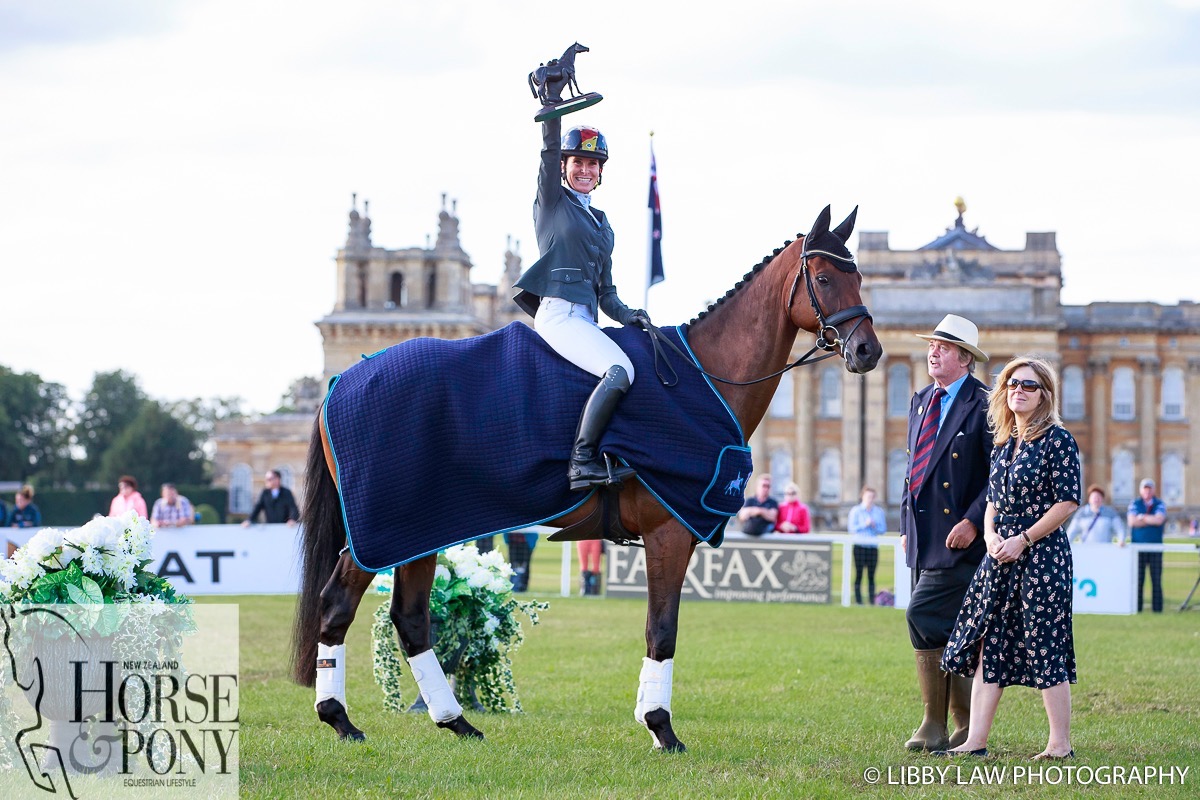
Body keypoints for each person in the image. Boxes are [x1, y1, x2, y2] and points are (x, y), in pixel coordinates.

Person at [940, 356, 1081, 760]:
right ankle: (976, 741)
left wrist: (1023, 538)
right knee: (990, 644)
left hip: (1042, 556)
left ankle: (1059, 744)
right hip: (1001, 555)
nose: (1018, 390)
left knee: (1045, 643)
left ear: (1044, 395)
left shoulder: (1058, 439)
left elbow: (1067, 502)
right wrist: (989, 535)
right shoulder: (1004, 443)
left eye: (1029, 385)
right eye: (1011, 384)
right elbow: (993, 500)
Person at [512, 112, 648, 492]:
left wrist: (630, 316)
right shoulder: (552, 202)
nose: (585, 170)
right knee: (620, 371)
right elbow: (548, 148)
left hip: (587, 319)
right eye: (578, 163)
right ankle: (581, 463)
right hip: (558, 315)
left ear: (600, 172)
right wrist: (552, 102)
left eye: (592, 164)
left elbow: (606, 293)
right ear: (564, 167)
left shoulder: (603, 224)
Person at [899, 314, 992, 752]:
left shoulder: (987, 404)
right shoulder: (920, 400)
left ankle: (934, 722)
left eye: (943, 346)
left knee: (921, 615)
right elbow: (912, 474)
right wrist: (905, 526)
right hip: (924, 537)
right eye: (932, 344)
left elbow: (1000, 476)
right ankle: (961, 724)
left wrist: (974, 520)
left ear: (965, 359)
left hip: (962, 539)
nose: (933, 351)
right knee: (951, 629)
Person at [1125, 478, 1167, 613]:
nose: (1147, 491)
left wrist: (1142, 517)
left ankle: (1157, 609)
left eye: (1149, 489)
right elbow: (1132, 522)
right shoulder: (1135, 503)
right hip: (1138, 547)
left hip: (1155, 547)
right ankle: (1137, 608)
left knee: (1156, 579)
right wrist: (1150, 520)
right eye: (1145, 488)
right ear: (1141, 490)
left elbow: (1159, 520)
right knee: (1138, 579)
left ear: (1153, 490)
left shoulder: (1159, 503)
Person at [848, 486, 887, 605]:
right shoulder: (856, 511)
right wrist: (865, 525)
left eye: (872, 497)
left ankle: (871, 600)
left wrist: (874, 526)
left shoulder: (878, 512)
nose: (870, 499)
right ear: (863, 496)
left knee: (871, 575)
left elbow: (883, 529)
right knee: (859, 574)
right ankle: (858, 600)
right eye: (868, 496)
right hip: (859, 546)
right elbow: (852, 528)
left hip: (872, 547)